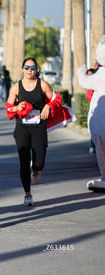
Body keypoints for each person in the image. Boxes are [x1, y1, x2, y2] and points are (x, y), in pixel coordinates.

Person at [5, 57, 62, 206]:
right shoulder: (16, 88)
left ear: (36, 70)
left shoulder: (42, 85)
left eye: (32, 68)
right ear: (22, 69)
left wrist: (48, 106)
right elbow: (9, 109)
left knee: (40, 161)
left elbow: (57, 100)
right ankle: (27, 194)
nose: (30, 70)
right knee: (23, 162)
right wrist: (17, 108)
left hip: (38, 127)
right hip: (22, 128)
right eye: (27, 67)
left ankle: (36, 169)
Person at [77, 35, 105, 191]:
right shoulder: (99, 74)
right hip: (98, 127)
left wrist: (80, 72)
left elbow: (84, 81)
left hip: (98, 127)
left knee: (101, 152)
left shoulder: (100, 74)